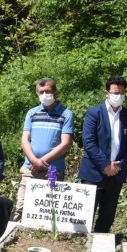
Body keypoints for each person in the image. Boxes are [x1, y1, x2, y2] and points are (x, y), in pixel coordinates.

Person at [78, 76, 127, 233]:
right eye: (116, 93)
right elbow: (89, 142)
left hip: (116, 174)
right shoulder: (94, 113)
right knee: (85, 214)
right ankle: (82, 243)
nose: (119, 96)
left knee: (107, 215)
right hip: (93, 173)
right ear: (107, 93)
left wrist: (120, 165)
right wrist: (105, 164)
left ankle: (100, 243)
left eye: (122, 93)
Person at [12, 78, 74, 222]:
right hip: (30, 169)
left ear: (55, 92)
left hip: (53, 170)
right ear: (37, 94)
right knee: (21, 207)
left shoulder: (66, 114)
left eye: (48, 91)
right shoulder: (32, 113)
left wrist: (42, 162)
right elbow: (25, 140)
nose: (44, 94)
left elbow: (65, 144)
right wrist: (34, 160)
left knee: (47, 210)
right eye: (41, 92)